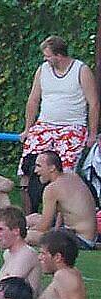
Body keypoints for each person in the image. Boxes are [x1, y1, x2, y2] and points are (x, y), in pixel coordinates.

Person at [18, 35, 99, 214]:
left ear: (59, 55)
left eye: (48, 56)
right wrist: (27, 129)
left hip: (72, 126)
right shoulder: (43, 70)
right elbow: (33, 100)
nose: (45, 59)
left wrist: (92, 134)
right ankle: (28, 214)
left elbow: (93, 103)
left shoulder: (81, 70)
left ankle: (63, 217)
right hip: (45, 124)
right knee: (26, 165)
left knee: (65, 169)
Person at [26, 151, 98, 248]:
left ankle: (10, 231)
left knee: (27, 236)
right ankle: (7, 228)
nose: (35, 171)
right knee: (33, 217)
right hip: (86, 236)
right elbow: (63, 210)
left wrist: (28, 230)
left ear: (52, 168)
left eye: (39, 166)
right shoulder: (72, 175)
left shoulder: (52, 189)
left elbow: (44, 227)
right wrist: (56, 229)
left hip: (80, 239)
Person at [0, 207, 41, 299]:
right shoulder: (7, 254)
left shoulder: (27, 254)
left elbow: (6, 290)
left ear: (16, 231)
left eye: (0, 230)